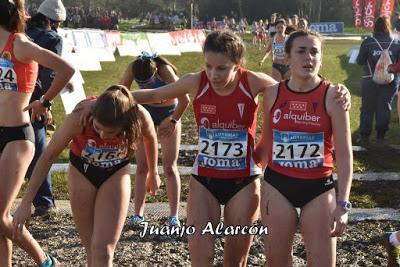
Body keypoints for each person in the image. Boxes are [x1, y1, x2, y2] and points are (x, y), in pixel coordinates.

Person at [123, 30, 351, 266]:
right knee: (201, 256)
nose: (213, 74)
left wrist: (338, 92)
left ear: (237, 64)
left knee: (235, 260)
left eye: (221, 68)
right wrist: (110, 96)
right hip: (205, 180)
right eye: (209, 66)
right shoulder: (196, 81)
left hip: (243, 182)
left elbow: (303, 86)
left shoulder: (254, 82)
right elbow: (153, 94)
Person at [13, 85, 161, 267]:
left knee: (103, 250)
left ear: (125, 124)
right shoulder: (79, 118)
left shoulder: (139, 116)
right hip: (82, 171)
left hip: (115, 172)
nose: (103, 135)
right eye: (98, 128)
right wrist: (27, 201)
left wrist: (153, 172)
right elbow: (47, 156)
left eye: (111, 133)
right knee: (91, 248)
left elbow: (150, 138)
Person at [255, 29, 353, 266]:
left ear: (321, 58)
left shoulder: (334, 97)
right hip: (278, 185)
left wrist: (343, 203)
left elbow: (345, 154)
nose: (308, 57)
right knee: (276, 261)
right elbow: (265, 143)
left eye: (314, 52)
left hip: (319, 188)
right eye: (301, 51)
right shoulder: (271, 93)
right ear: (287, 57)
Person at [0, 0, 74, 265]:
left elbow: (66, 69)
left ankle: (45, 261)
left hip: (17, 137)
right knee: (2, 217)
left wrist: (44, 101)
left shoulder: (19, 44)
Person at [120, 51, 189, 227]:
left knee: (169, 166)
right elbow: (120, 94)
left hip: (169, 113)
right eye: (141, 85)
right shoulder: (132, 68)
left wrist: (173, 120)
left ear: (155, 73)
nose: (144, 88)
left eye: (149, 83)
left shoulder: (164, 70)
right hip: (145, 113)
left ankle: (174, 216)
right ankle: (138, 214)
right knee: (142, 166)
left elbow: (184, 99)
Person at [25, 0, 67, 217]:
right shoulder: (52, 39)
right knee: (39, 152)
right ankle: (44, 201)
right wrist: (46, 102)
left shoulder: (19, 33)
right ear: (51, 21)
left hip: (10, 97)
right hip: (34, 101)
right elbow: (51, 74)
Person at [356, 16, 400, 144]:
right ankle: (381, 136)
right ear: (389, 27)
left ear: (375, 27)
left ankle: (364, 136)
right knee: (384, 107)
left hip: (369, 80)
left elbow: (360, 61)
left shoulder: (368, 42)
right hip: (390, 80)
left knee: (367, 108)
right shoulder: (397, 43)